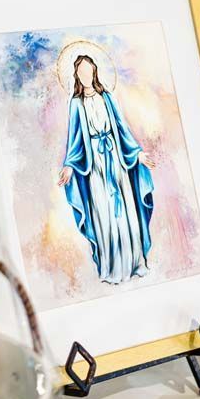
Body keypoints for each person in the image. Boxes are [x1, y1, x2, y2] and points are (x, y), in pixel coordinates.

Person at [58, 55, 155, 284]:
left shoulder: (108, 98)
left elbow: (122, 129)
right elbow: (75, 141)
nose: (86, 75)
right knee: (104, 213)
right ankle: (112, 268)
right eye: (81, 72)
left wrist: (138, 154)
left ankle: (134, 263)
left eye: (89, 70)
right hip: (95, 169)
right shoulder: (76, 104)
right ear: (76, 75)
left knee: (125, 212)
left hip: (117, 162)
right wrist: (70, 166)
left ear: (94, 71)